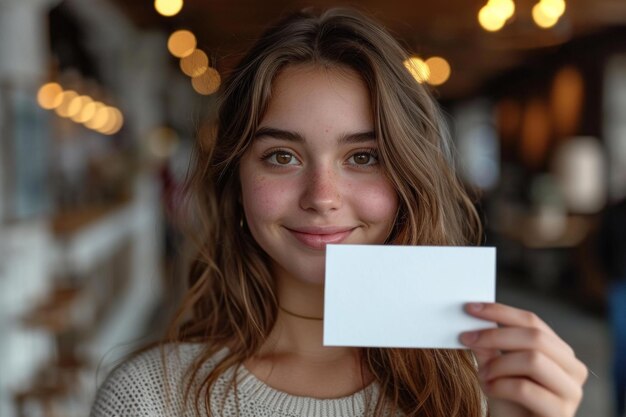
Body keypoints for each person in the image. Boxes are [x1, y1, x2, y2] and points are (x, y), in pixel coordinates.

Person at [90, 7, 587, 417]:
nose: (322, 196)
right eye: (282, 157)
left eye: (363, 157)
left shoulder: (491, 389)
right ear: (234, 181)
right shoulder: (151, 397)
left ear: (408, 181)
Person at [597, 196, 626, 417]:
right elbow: (601, 247)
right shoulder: (614, 212)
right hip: (619, 288)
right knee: (621, 352)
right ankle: (618, 408)